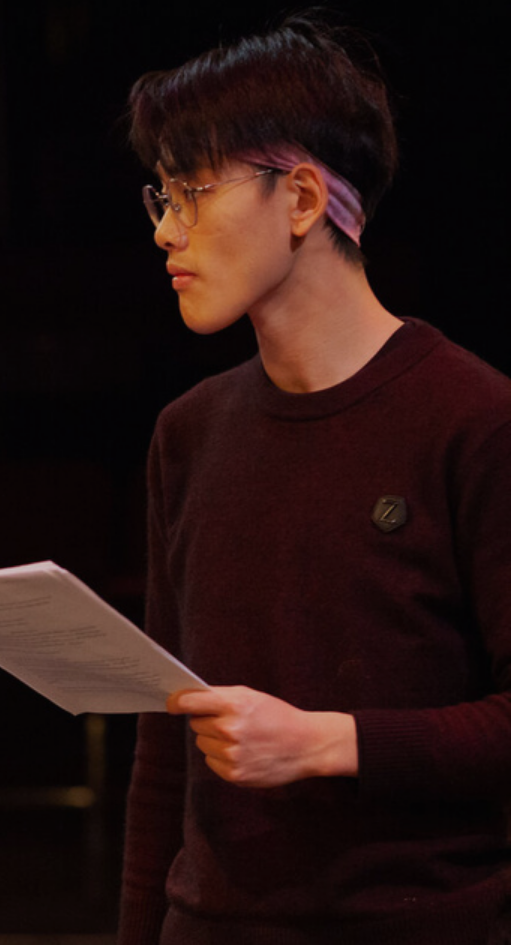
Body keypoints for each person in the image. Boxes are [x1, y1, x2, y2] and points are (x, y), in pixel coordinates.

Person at [120, 15, 511, 944]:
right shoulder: (189, 432)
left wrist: (331, 742)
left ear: (299, 198)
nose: (167, 231)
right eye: (161, 197)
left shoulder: (474, 420)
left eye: (192, 193)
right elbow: (164, 750)